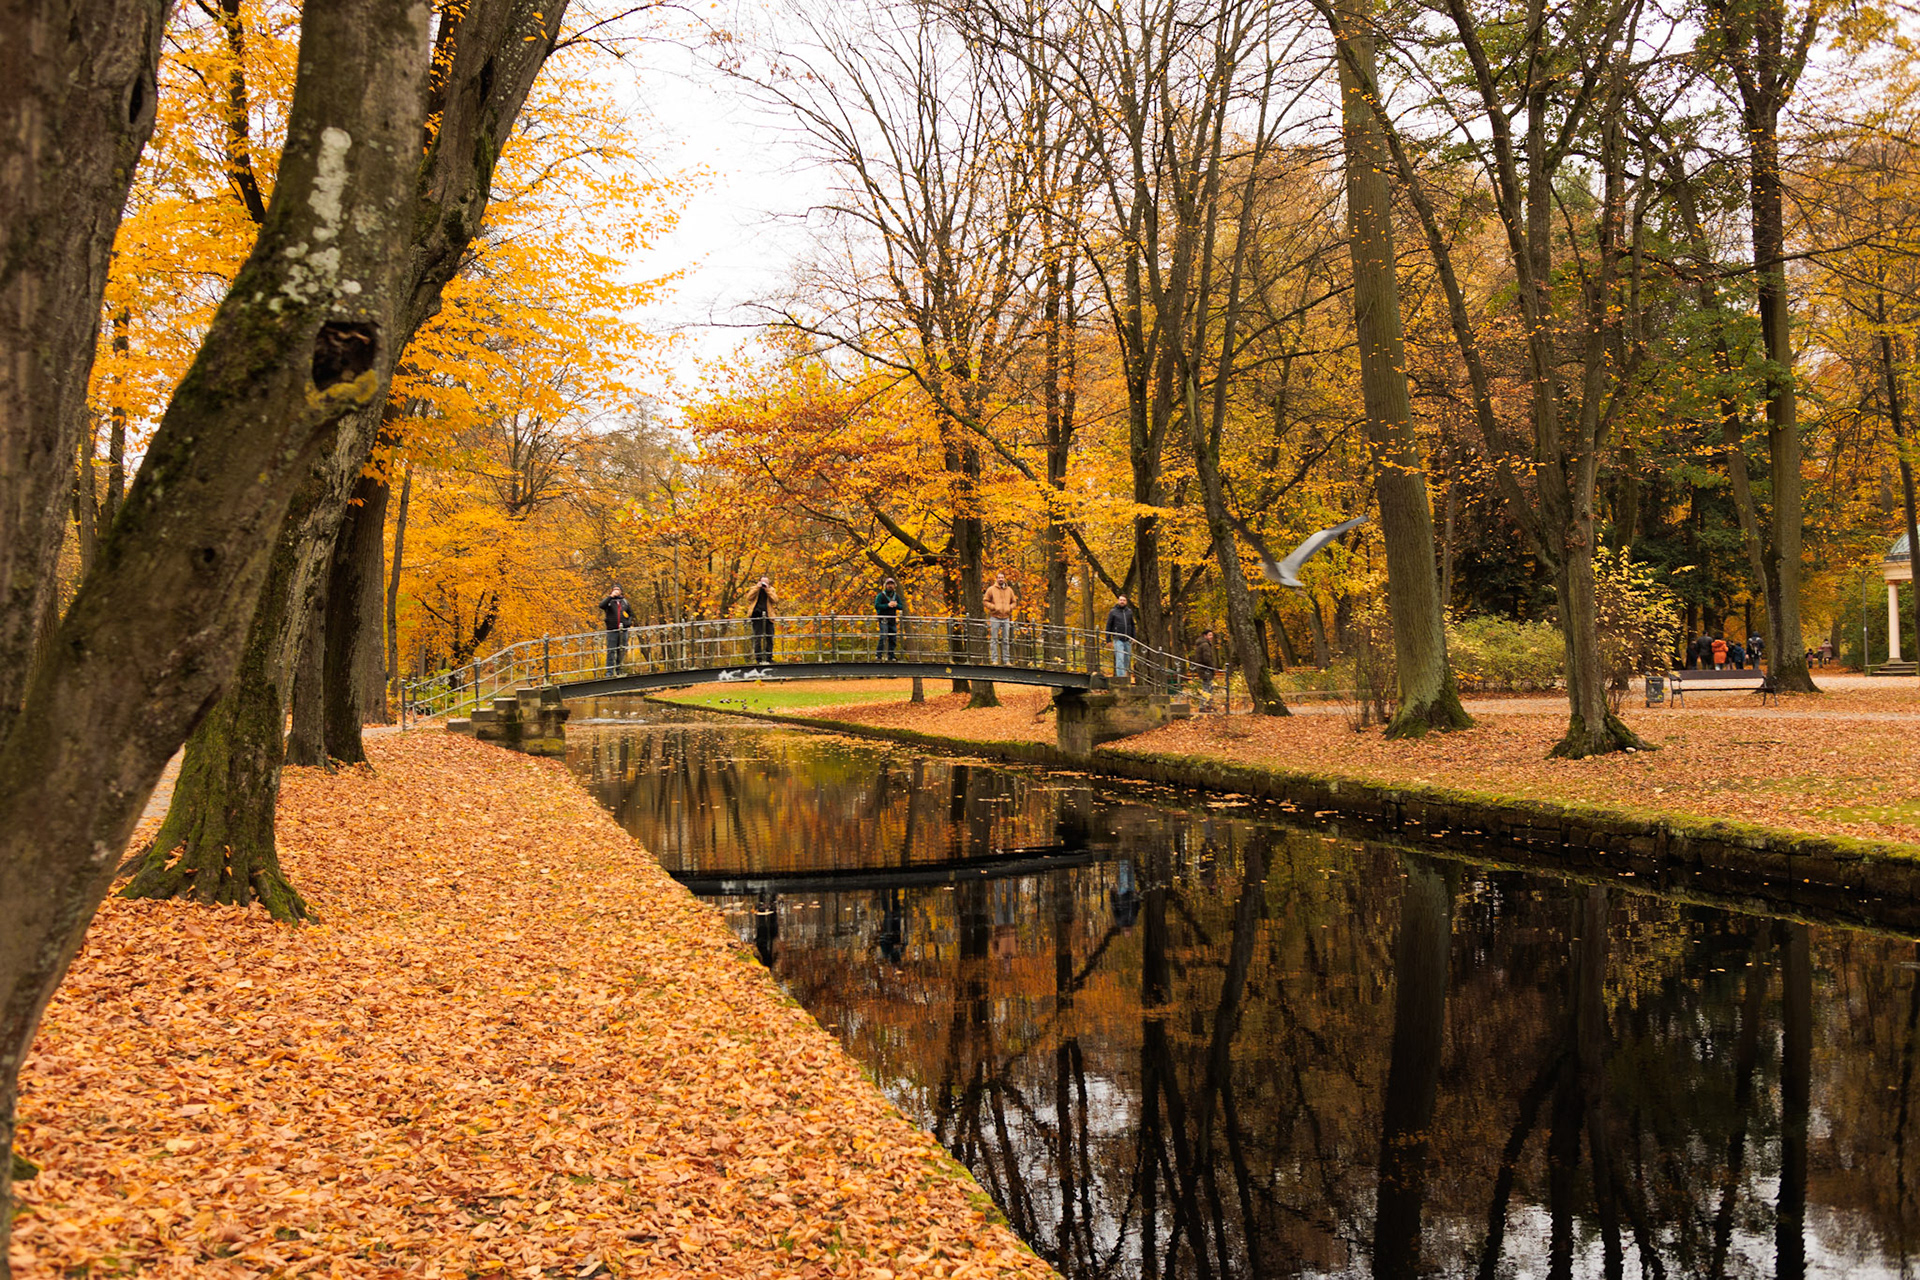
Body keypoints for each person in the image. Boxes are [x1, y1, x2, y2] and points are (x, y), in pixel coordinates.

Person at [984, 571, 1018, 664]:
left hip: (1006, 617)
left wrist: (1009, 608)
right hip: (995, 617)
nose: (1000, 579)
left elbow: (1014, 602)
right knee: (994, 639)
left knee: (1006, 640)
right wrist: (994, 607)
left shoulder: (1009, 590)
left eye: (1002, 577)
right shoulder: (991, 589)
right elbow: (985, 601)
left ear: (1004, 578)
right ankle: (994, 660)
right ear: (996, 579)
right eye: (999, 577)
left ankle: (1006, 660)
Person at [1104, 594, 1138, 680]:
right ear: (1118, 601)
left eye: (1123, 600)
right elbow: (1108, 626)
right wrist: (1108, 640)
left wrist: (1134, 637)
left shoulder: (1129, 612)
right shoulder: (1113, 612)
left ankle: (1126, 675)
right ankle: (1121, 678)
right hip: (1118, 638)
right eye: (1120, 600)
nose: (1122, 601)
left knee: (1127, 658)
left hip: (1128, 639)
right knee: (1120, 657)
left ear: (1126, 602)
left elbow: (1132, 625)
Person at [599, 585, 632, 672]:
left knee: (621, 650)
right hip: (612, 630)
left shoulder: (624, 602)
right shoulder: (609, 602)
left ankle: (619, 669)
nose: (616, 591)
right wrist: (610, 596)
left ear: (621, 591)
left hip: (623, 630)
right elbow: (601, 605)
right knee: (611, 651)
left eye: (618, 589)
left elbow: (630, 614)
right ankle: (609, 671)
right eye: (614, 590)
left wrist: (628, 623)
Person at [747, 576, 776, 666]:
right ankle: (758, 658)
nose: (764, 584)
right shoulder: (754, 588)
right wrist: (757, 588)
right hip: (756, 615)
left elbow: (775, 600)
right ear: (759, 581)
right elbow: (749, 598)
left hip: (768, 615)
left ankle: (769, 657)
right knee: (757, 638)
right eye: (762, 582)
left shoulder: (771, 590)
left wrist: (767, 590)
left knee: (769, 637)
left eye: (766, 582)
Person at [875, 576, 904, 661]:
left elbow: (901, 606)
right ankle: (878, 655)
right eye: (888, 584)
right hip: (883, 619)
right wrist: (887, 605)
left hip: (892, 620)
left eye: (891, 584)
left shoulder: (896, 596)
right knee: (883, 636)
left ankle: (891, 656)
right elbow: (877, 606)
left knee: (893, 638)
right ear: (885, 586)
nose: (890, 586)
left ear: (894, 586)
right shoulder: (881, 595)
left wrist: (896, 605)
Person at [1192, 629, 1218, 700]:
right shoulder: (1205, 645)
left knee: (1207, 687)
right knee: (1207, 688)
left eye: (1212, 635)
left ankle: (1207, 704)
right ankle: (1204, 705)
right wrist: (1212, 667)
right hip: (1205, 669)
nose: (1211, 637)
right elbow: (1207, 658)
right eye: (1209, 635)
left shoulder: (1201, 644)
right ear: (1205, 636)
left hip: (1202, 668)